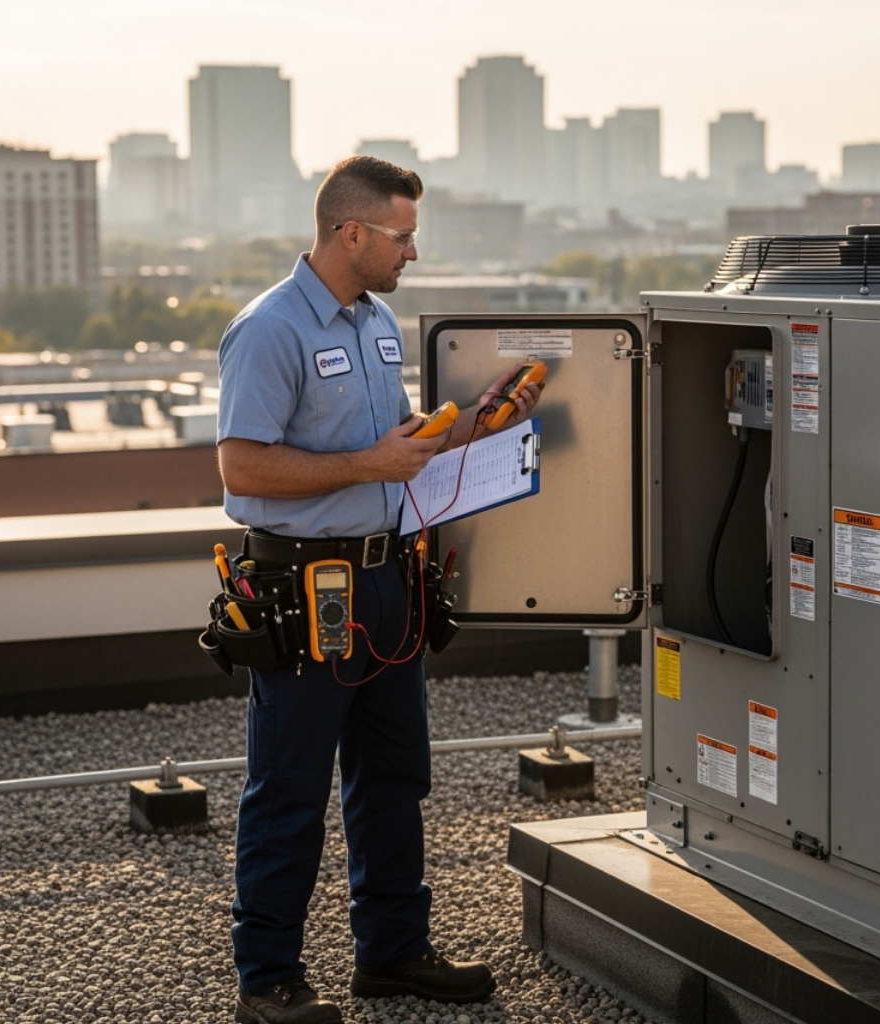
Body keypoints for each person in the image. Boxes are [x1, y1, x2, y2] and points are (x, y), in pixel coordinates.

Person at [215, 155, 542, 1024]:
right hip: (307, 590)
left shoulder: (378, 324)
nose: (412, 253)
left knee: (393, 776)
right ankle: (269, 981)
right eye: (402, 236)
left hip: (388, 581)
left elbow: (395, 445)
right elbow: (242, 466)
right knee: (288, 789)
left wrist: (478, 423)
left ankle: (393, 954)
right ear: (350, 232)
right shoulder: (269, 330)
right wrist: (370, 464)